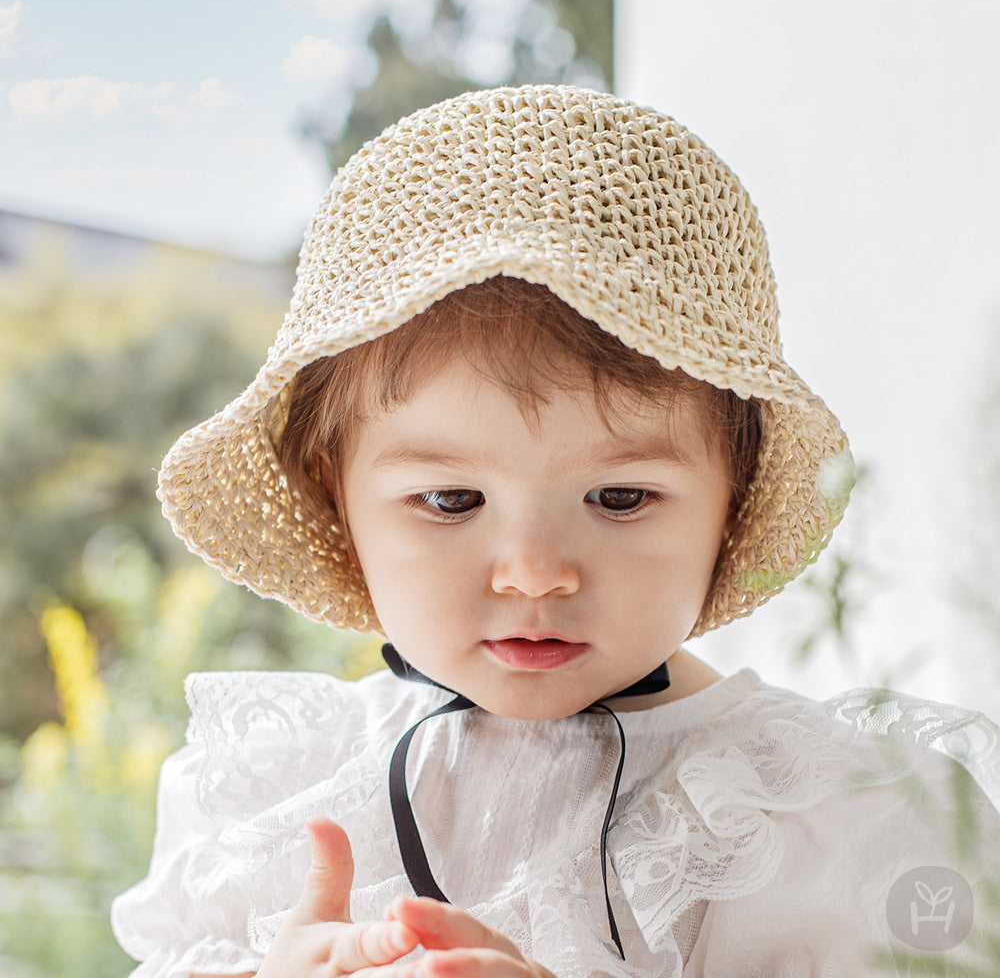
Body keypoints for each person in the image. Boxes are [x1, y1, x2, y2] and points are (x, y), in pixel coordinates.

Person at [112, 85, 1000, 978]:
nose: (534, 575)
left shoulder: (835, 821)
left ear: (732, 506)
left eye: (619, 499)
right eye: (452, 501)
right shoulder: (278, 794)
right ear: (333, 502)